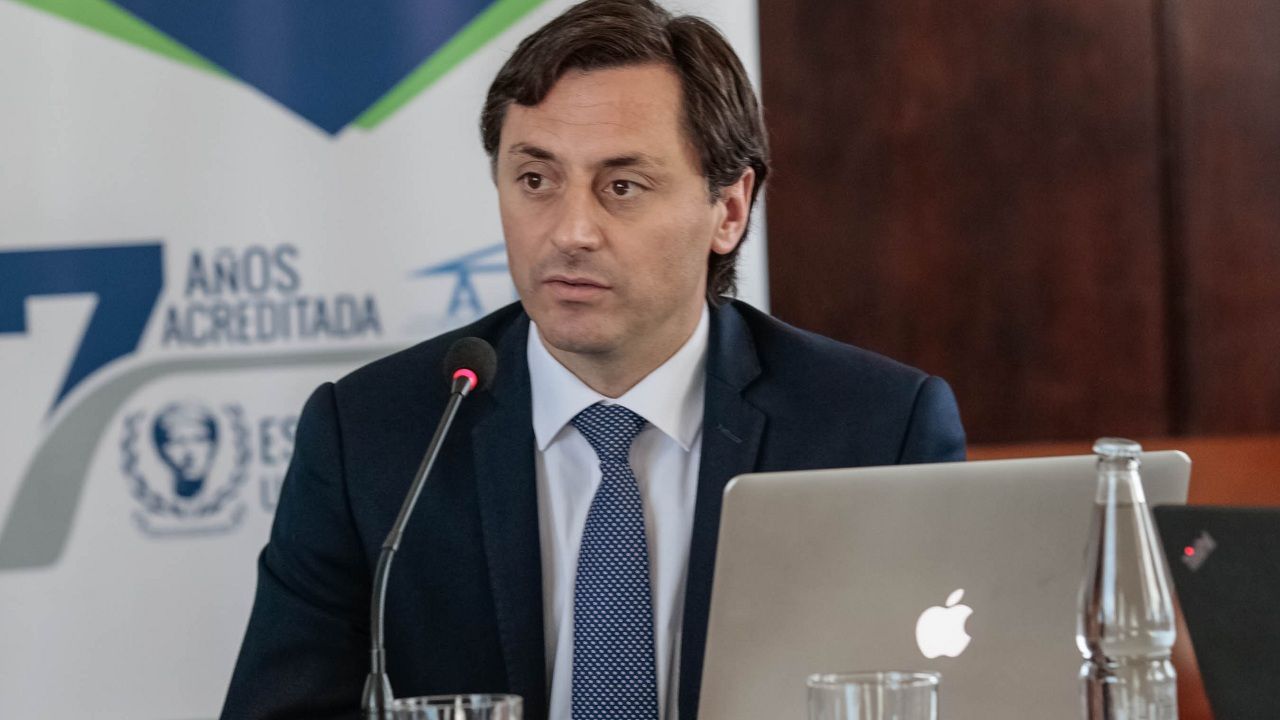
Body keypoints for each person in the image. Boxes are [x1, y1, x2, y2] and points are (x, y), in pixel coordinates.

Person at [221, 1, 965, 718]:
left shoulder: (876, 430)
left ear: (730, 210)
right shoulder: (375, 434)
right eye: (535, 180)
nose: (570, 230)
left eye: (622, 186)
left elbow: (954, 697)